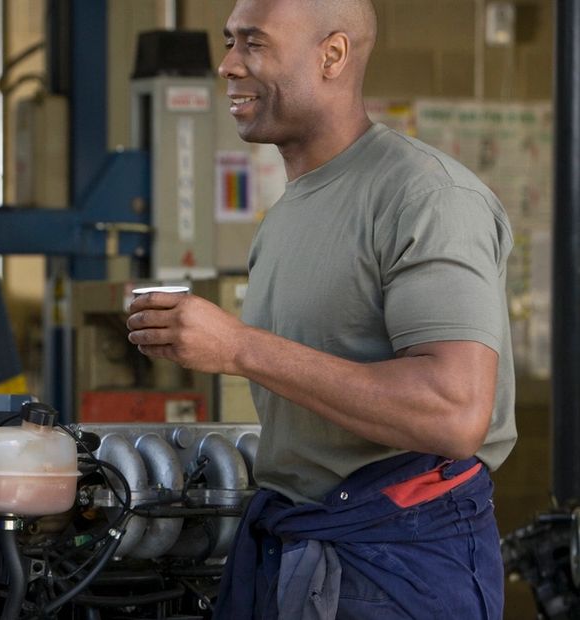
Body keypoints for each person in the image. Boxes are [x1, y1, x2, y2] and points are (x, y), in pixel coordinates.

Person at [126, 0, 514, 617]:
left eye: (253, 44)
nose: (227, 65)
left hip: (397, 563)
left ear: (331, 55)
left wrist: (239, 348)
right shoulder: (289, 212)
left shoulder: (427, 197)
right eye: (229, 42)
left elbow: (454, 410)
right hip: (302, 540)